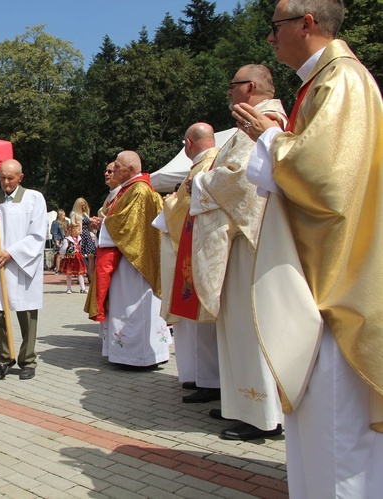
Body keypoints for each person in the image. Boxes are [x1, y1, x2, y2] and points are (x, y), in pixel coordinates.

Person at [233, 1, 383, 495]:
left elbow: (325, 179)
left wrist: (270, 137)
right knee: (317, 436)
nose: (271, 39)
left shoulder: (342, 82)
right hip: (320, 276)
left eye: (275, 28)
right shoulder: (320, 83)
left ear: (307, 23)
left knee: (337, 438)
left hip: (334, 288)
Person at [189, 65, 286, 440]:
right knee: (237, 328)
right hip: (241, 240)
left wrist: (199, 180)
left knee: (250, 328)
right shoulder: (253, 121)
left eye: (232, 87)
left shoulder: (263, 121)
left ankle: (262, 415)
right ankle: (240, 403)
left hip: (250, 241)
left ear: (248, 87)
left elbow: (241, 178)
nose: (228, 94)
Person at [153, 123, 221, 402]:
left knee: (201, 320)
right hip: (201, 250)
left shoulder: (201, 168)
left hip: (198, 252)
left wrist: (168, 204)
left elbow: (181, 208)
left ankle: (210, 381)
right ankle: (204, 378)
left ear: (188, 143)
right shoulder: (213, 162)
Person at [86, 151, 170, 368]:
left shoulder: (139, 191)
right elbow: (118, 221)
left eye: (118, 167)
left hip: (136, 263)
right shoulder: (127, 190)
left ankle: (140, 357)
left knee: (136, 308)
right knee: (124, 307)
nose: (114, 170)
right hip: (125, 258)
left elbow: (128, 226)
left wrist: (104, 224)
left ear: (131, 170)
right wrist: (102, 223)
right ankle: (126, 354)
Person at [0, 159, 47, 381]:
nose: (6, 182)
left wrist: (12, 252)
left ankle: (28, 360)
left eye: (11, 178)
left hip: (21, 264)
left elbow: (38, 234)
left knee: (27, 313)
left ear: (20, 177)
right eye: (2, 177)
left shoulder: (34, 198)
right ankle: (5, 357)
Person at [70, 198, 96, 277]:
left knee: (91, 255)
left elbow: (89, 226)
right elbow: (72, 227)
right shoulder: (74, 214)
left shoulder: (86, 214)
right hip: (79, 236)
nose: (84, 206)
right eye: (82, 205)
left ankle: (90, 275)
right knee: (80, 257)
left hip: (87, 235)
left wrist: (92, 232)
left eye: (85, 205)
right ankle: (81, 274)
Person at [59, 223, 87, 294]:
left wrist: (82, 253)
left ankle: (83, 288)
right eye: (79, 230)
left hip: (78, 258)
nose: (80, 231)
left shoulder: (79, 238)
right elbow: (64, 248)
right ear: (73, 231)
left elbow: (80, 247)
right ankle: (69, 288)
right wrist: (63, 255)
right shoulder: (67, 239)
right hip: (70, 258)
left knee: (80, 273)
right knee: (69, 273)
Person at [50, 209, 67, 273]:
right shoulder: (56, 223)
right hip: (59, 240)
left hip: (65, 239)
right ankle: (57, 269)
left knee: (66, 254)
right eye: (63, 215)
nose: (64, 216)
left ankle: (63, 268)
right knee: (58, 254)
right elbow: (54, 233)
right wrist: (56, 241)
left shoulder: (66, 222)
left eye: (64, 215)